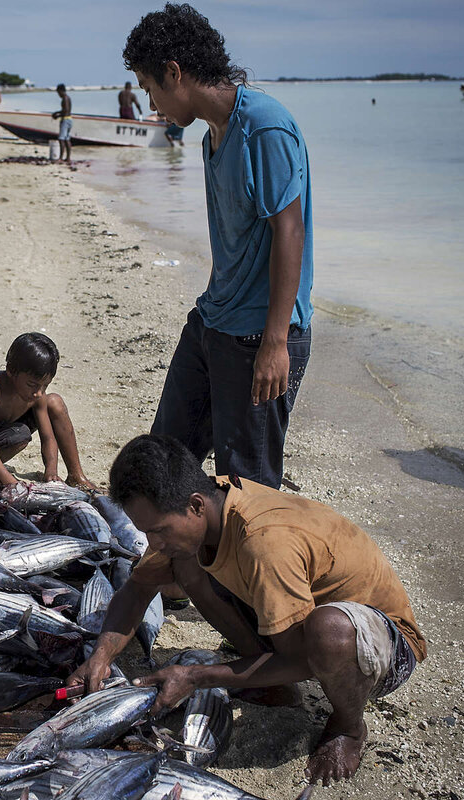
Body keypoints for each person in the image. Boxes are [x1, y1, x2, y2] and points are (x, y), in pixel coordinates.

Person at [69, 435, 427, 787]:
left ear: (195, 505)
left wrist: (197, 676)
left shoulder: (264, 542)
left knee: (328, 631)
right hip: (301, 628)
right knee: (186, 564)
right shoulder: (208, 502)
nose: (153, 543)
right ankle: (277, 685)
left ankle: (350, 727)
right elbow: (137, 590)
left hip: (382, 647)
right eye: (147, 532)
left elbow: (301, 660)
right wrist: (100, 655)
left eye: (159, 530)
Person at [124, 3, 313, 491]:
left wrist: (274, 343)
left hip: (258, 338)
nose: (152, 103)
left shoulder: (264, 128)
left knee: (247, 488)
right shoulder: (213, 133)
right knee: (162, 465)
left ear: (174, 72)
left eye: (150, 88)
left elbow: (289, 232)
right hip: (213, 321)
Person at [0, 332, 95, 489]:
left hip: (5, 429)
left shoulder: (36, 393)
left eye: (44, 385)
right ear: (11, 372)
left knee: (55, 403)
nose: (38, 393)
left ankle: (76, 476)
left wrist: (51, 471)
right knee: (19, 435)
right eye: (31, 384)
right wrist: (10, 483)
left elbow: (47, 437)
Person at [52, 83, 72, 162]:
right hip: (69, 119)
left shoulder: (65, 98)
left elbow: (66, 110)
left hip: (66, 120)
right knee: (66, 139)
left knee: (61, 139)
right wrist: (58, 113)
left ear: (61, 91)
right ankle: (68, 158)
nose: (58, 94)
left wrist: (57, 115)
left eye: (58, 92)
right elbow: (65, 110)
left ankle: (61, 158)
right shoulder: (67, 98)